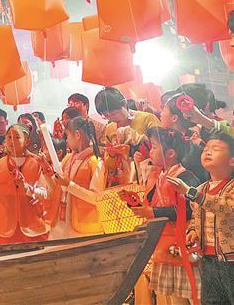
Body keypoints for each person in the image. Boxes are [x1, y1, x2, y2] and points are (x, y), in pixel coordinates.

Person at [132, 127, 201, 304]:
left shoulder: (185, 177)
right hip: (165, 244)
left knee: (193, 296)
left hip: (181, 244)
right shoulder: (161, 175)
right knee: (174, 298)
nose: (151, 151)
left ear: (170, 153)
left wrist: (154, 212)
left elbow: (189, 209)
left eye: (154, 147)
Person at [170, 132, 234, 305]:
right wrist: (193, 231)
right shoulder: (201, 188)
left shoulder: (229, 188)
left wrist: (191, 193)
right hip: (208, 259)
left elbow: (226, 207)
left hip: (231, 260)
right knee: (212, 301)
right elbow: (196, 217)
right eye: (206, 148)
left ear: (232, 161)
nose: (208, 152)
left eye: (216, 149)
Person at [51, 117, 106, 239]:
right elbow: (56, 188)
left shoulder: (95, 161)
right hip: (61, 224)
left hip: (83, 228)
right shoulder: (68, 158)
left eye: (68, 136)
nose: (66, 141)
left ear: (77, 135)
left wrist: (69, 185)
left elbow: (97, 198)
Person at [95, 87, 160, 186]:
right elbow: (110, 165)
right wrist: (112, 154)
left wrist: (132, 150)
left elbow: (163, 149)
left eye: (114, 113)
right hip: (125, 181)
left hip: (150, 178)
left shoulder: (147, 119)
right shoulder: (110, 128)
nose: (112, 118)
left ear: (124, 104)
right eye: (106, 116)